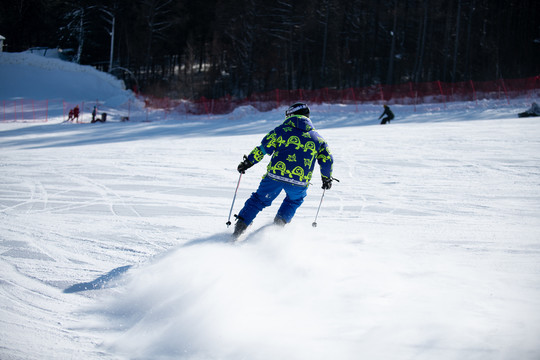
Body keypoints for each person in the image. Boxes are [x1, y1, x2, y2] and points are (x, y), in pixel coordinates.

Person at [232, 102, 334, 238]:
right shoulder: (318, 139)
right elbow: (327, 160)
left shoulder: (281, 130)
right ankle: (277, 228)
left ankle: (239, 229)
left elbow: (263, 148)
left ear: (291, 115)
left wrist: (248, 162)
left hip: (274, 176)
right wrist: (326, 178)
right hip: (299, 181)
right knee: (294, 200)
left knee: (259, 200)